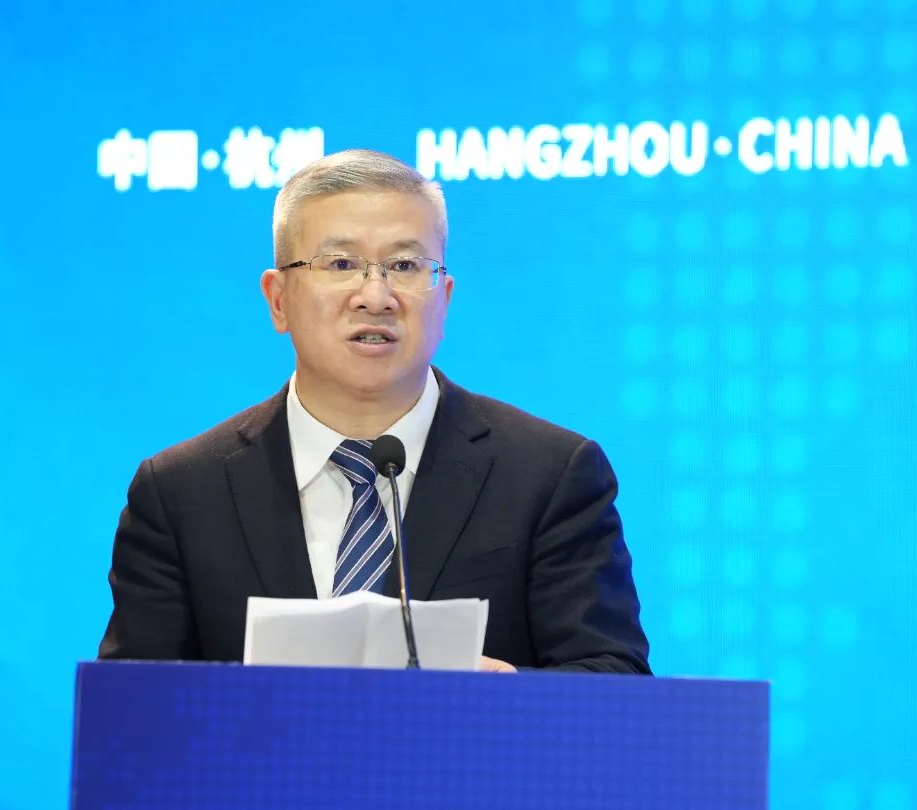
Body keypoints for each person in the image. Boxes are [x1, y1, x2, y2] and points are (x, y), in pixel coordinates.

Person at [98, 149, 650, 674]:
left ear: (444, 299)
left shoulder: (549, 475)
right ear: (278, 299)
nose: (376, 296)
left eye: (405, 265)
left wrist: (499, 698)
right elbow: (128, 713)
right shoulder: (182, 493)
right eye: (341, 263)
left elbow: (614, 685)